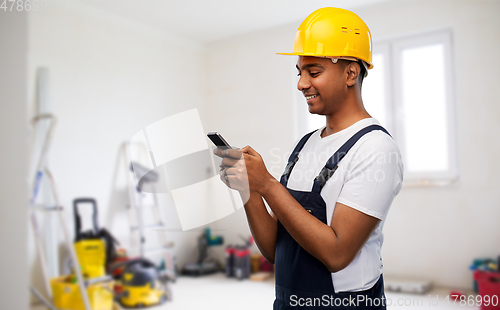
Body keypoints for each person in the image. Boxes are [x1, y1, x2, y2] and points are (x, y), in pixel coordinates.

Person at [214, 7, 403, 310]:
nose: (301, 84)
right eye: (300, 73)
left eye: (313, 72)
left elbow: (337, 254)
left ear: (350, 73)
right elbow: (277, 250)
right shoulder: (304, 145)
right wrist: (249, 189)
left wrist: (269, 185)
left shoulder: (375, 149)